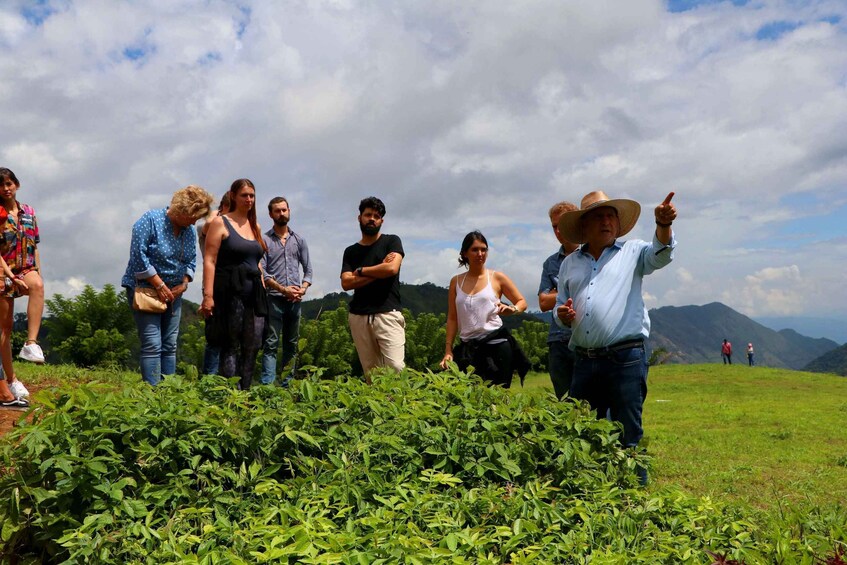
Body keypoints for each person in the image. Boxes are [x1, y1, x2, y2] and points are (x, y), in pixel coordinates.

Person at [556, 190, 677, 485]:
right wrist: (562, 315)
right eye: (598, 216)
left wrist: (662, 225)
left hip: (625, 359)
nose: (606, 221)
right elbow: (560, 307)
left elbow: (660, 255)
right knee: (584, 432)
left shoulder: (633, 252)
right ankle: (591, 492)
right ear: (584, 226)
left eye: (611, 215)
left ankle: (636, 496)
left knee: (629, 434)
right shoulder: (569, 264)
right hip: (584, 361)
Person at [122, 185, 214, 385]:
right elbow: (138, 256)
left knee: (169, 345)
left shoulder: (189, 231)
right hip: (145, 290)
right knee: (152, 344)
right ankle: (153, 393)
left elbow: (191, 260)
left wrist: (185, 282)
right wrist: (159, 285)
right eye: (193, 216)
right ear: (182, 210)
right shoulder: (149, 221)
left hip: (174, 294)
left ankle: (168, 391)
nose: (194, 221)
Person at [200, 179, 268, 390]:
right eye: (244, 195)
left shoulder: (255, 225)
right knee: (230, 345)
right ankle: (230, 397)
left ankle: (245, 394)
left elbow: (257, 260)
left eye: (252, 195)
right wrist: (208, 296)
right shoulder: (221, 222)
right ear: (233, 196)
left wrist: (263, 285)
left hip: (254, 292)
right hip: (229, 291)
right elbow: (209, 260)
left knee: (253, 345)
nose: (249, 199)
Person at [440, 231, 529, 388]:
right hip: (469, 348)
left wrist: (512, 309)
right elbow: (452, 318)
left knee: (497, 399)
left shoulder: (497, 278)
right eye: (475, 250)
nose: (480, 254)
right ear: (464, 253)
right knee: (467, 398)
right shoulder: (456, 282)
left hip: (498, 346)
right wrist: (448, 350)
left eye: (484, 249)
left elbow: (522, 302)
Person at [340, 197, 405, 383]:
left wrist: (361, 271)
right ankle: (377, 411)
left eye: (376, 216)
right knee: (371, 374)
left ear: (381, 221)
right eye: (368, 215)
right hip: (359, 317)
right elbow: (346, 283)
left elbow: (391, 269)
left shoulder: (392, 242)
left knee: (397, 368)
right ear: (359, 218)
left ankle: (398, 410)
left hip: (388, 314)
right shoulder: (351, 251)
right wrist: (379, 270)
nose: (372, 219)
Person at [260, 196, 312, 387]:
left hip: (295, 301)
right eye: (277, 211)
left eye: (284, 210)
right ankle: (267, 387)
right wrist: (283, 289)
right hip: (274, 299)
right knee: (271, 344)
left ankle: (287, 386)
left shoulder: (299, 240)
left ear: (289, 211)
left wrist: (303, 289)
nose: (281, 213)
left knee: (291, 345)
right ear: (271, 214)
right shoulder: (264, 240)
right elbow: (262, 272)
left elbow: (308, 270)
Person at [538, 201, 579, 399]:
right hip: (558, 340)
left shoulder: (592, 253)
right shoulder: (551, 263)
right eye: (554, 226)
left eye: (561, 224)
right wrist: (576, 287)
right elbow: (544, 303)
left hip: (584, 338)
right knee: (563, 401)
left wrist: (558, 291)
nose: (558, 230)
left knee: (591, 400)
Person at [197, 192, 231, 375]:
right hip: (213, 286)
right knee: (215, 337)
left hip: (234, 286)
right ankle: (209, 381)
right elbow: (205, 225)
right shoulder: (209, 226)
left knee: (232, 338)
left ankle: (226, 380)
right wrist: (219, 216)